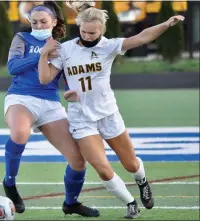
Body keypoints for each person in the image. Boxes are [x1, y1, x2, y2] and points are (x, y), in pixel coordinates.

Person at [38, 1, 185, 219]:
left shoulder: (109, 46)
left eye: (93, 32)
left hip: (108, 114)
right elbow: (45, 78)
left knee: (130, 163)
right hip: (81, 119)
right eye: (84, 31)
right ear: (79, 27)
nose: (88, 36)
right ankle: (130, 203)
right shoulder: (65, 50)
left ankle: (142, 182)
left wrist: (165, 24)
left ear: (102, 31)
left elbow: (142, 37)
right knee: (103, 169)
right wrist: (43, 55)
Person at [3, 1, 99, 218]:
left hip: (50, 102)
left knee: (77, 159)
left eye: (43, 22)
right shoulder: (21, 38)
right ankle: (9, 183)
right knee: (19, 133)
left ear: (54, 22)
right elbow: (12, 67)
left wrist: (71, 92)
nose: (38, 26)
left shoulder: (62, 46)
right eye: (34, 22)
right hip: (22, 97)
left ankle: (71, 203)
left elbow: (69, 76)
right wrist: (41, 54)